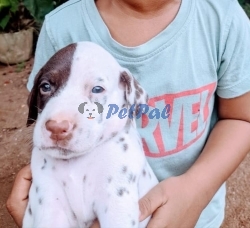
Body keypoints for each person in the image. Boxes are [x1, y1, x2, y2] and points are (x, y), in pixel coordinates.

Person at [6, 0, 250, 227]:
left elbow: (240, 117)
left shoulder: (222, 19)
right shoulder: (61, 27)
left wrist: (196, 191)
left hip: (192, 216)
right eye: (48, 86)